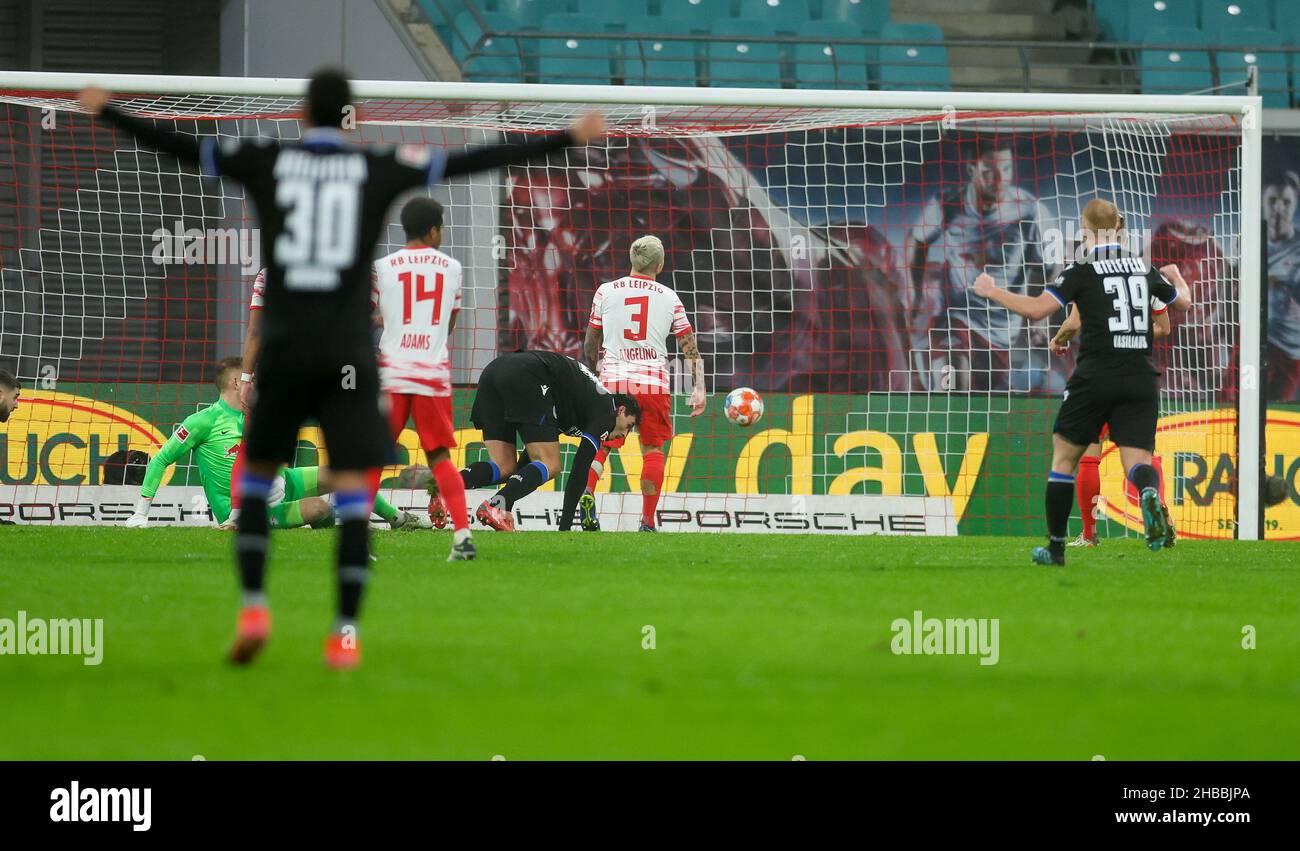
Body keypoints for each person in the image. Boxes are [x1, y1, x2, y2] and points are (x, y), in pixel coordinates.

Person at [80, 69, 604, 669]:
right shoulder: (375, 168)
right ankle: (345, 633)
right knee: (354, 487)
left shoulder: (268, 162)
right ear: (349, 115)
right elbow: (473, 158)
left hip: (284, 347)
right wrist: (565, 138)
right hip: (348, 356)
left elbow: (178, 146)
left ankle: (254, 609)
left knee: (253, 486)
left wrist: (108, 112)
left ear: (303, 113)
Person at [971, 198, 1192, 566]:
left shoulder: (1081, 269)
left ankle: (1057, 547)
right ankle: (1149, 494)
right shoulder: (1143, 267)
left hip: (1095, 375)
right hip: (1140, 376)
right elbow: (1181, 304)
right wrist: (1178, 278)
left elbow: (1037, 309)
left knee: (1065, 460)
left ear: (1085, 230)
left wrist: (991, 291)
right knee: (1137, 462)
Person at [125, 358, 420, 529]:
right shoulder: (203, 421)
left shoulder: (260, 413)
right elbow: (162, 459)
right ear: (238, 383)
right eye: (249, 378)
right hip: (247, 508)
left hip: (283, 482)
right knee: (319, 509)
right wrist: (141, 512)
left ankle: (399, 519)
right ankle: (331, 521)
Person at [907, 137, 1055, 393]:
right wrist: (915, 294)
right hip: (955, 321)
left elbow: (1050, 268)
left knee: (987, 408)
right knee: (951, 389)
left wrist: (1039, 318)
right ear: (971, 170)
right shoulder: (947, 203)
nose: (1000, 179)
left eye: (1006, 169)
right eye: (989, 171)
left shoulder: (1032, 211)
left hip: (1002, 332)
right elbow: (915, 241)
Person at [578, 234, 706, 531]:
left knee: (603, 444)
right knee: (652, 450)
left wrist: (595, 373)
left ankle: (588, 492)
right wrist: (698, 387)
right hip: (651, 384)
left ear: (632, 260)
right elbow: (688, 344)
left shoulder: (605, 291)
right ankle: (647, 521)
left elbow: (590, 340)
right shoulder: (669, 296)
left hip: (613, 381)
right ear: (659, 265)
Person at [372, 197, 473, 560]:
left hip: (393, 374)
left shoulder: (382, 267)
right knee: (441, 458)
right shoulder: (452, 268)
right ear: (433, 230)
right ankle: (462, 537)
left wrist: (391, 320)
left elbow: (369, 315)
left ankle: (359, 542)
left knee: (373, 458)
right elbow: (449, 323)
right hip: (431, 372)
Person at [460, 351, 639, 531]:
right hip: (529, 375)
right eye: (628, 425)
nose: (624, 434)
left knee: (504, 468)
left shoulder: (581, 403)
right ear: (621, 410)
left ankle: (444, 486)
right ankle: (495, 506)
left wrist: (508, 505)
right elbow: (579, 470)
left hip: (494, 371)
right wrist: (565, 528)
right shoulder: (607, 412)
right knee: (551, 465)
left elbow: (530, 458)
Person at [1051, 305, 1176, 548]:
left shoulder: (1090, 273)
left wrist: (1057, 340)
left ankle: (1089, 534)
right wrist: (1132, 340)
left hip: (1097, 376)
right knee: (1143, 457)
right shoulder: (1147, 277)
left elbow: (1074, 323)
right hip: (1136, 377)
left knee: (1089, 456)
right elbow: (1164, 327)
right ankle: (1158, 505)